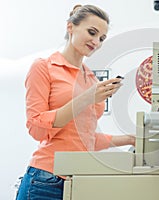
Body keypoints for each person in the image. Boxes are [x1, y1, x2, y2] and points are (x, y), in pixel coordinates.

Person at [16, 4, 135, 200]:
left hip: (79, 179)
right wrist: (87, 97)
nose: (96, 42)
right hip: (45, 180)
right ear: (70, 27)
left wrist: (130, 139)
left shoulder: (91, 79)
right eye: (92, 32)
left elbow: (86, 139)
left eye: (102, 38)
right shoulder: (44, 67)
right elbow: (36, 129)